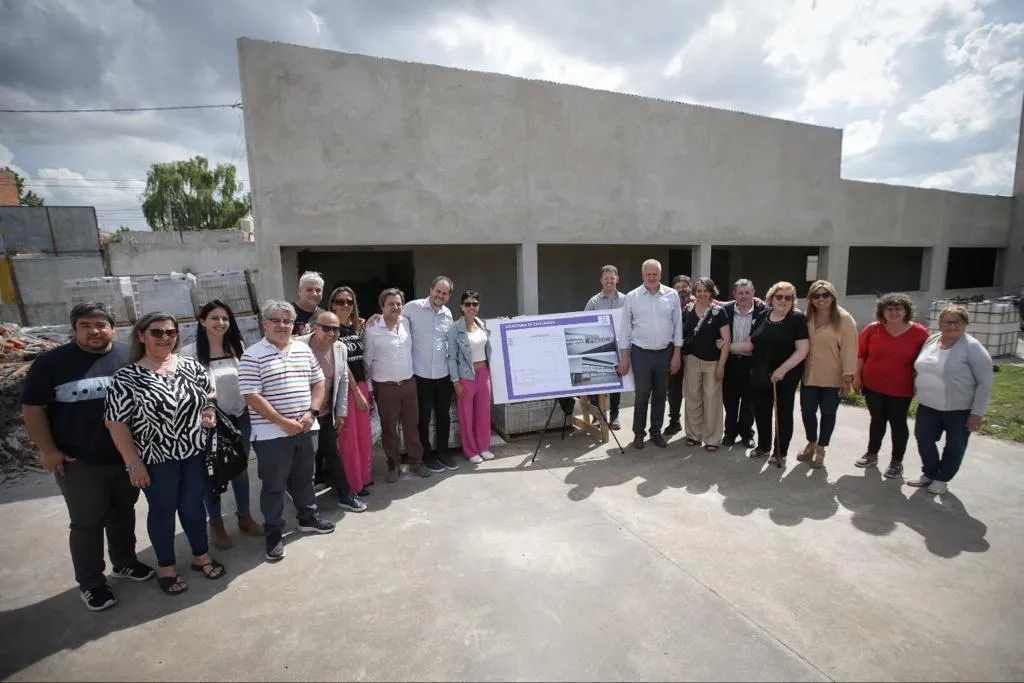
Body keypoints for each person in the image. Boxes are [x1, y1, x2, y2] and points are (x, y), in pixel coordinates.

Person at [21, 302, 154, 611]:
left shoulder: (129, 356)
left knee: (124, 512)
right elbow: (32, 409)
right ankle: (92, 583)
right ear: (75, 329)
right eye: (86, 325)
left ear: (113, 327)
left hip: (125, 458)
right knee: (87, 522)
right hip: (80, 461)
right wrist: (48, 450)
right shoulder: (52, 363)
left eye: (100, 325)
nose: (95, 331)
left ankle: (124, 562)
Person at [104, 312, 225, 596]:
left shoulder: (189, 365)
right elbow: (115, 423)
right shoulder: (127, 377)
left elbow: (209, 392)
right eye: (157, 332)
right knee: (163, 511)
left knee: (194, 507)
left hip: (194, 453)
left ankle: (200, 556)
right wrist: (133, 464)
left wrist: (208, 411)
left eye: (170, 333)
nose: (165, 338)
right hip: (156, 460)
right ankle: (167, 567)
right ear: (142, 336)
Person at [239, 300, 335, 563]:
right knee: (274, 485)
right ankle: (274, 531)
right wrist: (282, 421)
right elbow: (252, 396)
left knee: (306, 477)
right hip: (272, 435)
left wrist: (312, 412)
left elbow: (318, 381)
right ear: (265, 324)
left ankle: (307, 517)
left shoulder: (303, 350)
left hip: (306, 427)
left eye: (287, 321)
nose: (282, 326)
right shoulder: (252, 355)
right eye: (276, 320)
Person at [181, 300, 264, 550]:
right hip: (210, 422)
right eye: (214, 318)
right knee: (212, 472)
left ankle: (244, 516)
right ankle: (215, 522)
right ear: (202, 321)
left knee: (239, 467)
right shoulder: (189, 353)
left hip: (240, 416)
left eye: (225, 318)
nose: (220, 323)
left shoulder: (237, 346)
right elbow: (188, 390)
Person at [908, 305, 993, 495]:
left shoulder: (972, 347)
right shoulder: (932, 340)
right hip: (928, 404)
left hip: (958, 409)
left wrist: (977, 413)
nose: (952, 326)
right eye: (947, 321)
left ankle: (942, 478)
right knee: (924, 438)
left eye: (957, 322)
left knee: (955, 445)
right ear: (940, 323)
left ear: (965, 325)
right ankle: (930, 473)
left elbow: (984, 383)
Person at [852, 293, 930, 479]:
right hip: (873, 385)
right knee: (877, 419)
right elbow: (860, 355)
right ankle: (872, 453)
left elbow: (926, 361)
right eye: (889, 309)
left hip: (901, 388)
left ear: (906, 311)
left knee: (898, 423)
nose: (894, 312)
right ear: (882, 312)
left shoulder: (919, 333)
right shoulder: (872, 330)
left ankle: (896, 462)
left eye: (898, 309)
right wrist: (857, 377)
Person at [297, 311, 367, 512]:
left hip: (326, 412)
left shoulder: (340, 348)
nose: (331, 333)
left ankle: (345, 494)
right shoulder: (299, 345)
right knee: (305, 461)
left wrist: (342, 411)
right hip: (301, 414)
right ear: (315, 327)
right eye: (326, 328)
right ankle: (306, 506)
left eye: (335, 329)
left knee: (333, 454)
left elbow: (343, 378)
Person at [364, 288, 433, 481]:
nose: (395, 307)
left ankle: (416, 462)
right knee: (389, 428)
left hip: (409, 384)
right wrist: (369, 390)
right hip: (385, 387)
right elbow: (367, 361)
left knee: (412, 426)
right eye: (390, 304)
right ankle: (393, 464)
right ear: (382, 307)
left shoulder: (407, 323)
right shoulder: (372, 329)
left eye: (398, 303)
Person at [616, 259, 683, 450]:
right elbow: (625, 330)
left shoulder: (672, 295)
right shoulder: (632, 297)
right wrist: (624, 358)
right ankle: (638, 433)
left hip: (665, 353)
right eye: (648, 274)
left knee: (661, 394)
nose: (652, 278)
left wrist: (676, 355)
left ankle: (656, 431)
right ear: (642, 275)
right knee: (642, 394)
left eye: (655, 274)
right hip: (641, 353)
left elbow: (678, 326)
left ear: (660, 275)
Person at [797, 280, 857, 469]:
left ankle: (821, 449)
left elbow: (850, 349)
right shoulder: (807, 317)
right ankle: (811, 442)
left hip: (833, 377)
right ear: (810, 299)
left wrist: (847, 376)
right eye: (816, 296)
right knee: (807, 411)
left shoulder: (844, 319)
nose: (821, 299)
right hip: (810, 375)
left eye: (825, 295)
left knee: (828, 413)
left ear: (833, 297)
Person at [749, 281, 809, 466]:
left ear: (793, 300)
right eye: (779, 296)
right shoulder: (763, 315)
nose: (783, 300)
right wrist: (726, 347)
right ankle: (764, 445)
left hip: (786, 374)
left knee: (783, 413)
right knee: (761, 410)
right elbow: (753, 344)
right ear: (771, 298)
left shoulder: (797, 318)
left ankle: (780, 451)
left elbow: (802, 349)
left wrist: (782, 370)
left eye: (788, 297)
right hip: (761, 371)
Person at [402, 276, 458, 473]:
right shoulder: (411, 308)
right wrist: (375, 317)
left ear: (448, 296)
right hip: (421, 375)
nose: (440, 296)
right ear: (431, 289)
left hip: (443, 375)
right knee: (423, 419)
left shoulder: (448, 314)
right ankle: (427, 455)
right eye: (438, 291)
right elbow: (392, 319)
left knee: (444, 416)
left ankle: (443, 453)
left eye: (444, 293)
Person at [329, 285, 374, 497]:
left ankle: (364, 478)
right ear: (332, 305)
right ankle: (353, 485)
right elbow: (342, 364)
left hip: (362, 386)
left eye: (349, 301)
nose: (345, 305)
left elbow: (357, 357)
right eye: (340, 302)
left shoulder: (354, 327)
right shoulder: (332, 329)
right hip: (347, 390)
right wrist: (356, 393)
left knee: (364, 436)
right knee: (348, 440)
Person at [681, 277, 730, 451]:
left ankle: (712, 438)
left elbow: (726, 340)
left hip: (712, 362)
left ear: (711, 292)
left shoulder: (719, 311)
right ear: (695, 292)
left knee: (712, 400)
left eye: (706, 290)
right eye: (699, 290)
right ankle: (693, 434)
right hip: (692, 360)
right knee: (693, 397)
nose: (702, 294)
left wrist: (721, 365)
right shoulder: (688, 309)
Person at [447, 290, 494, 463]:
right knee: (466, 415)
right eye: (468, 304)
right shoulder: (454, 329)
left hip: (483, 374)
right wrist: (455, 382)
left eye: (474, 304)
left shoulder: (482, 325)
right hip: (466, 376)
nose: (471, 307)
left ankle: (483, 447)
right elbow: (451, 357)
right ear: (461, 306)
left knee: (483, 413)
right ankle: (470, 450)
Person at [721, 279, 765, 448]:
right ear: (734, 294)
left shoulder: (763, 311)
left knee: (749, 402)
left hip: (752, 363)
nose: (744, 296)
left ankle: (747, 434)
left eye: (747, 292)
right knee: (730, 401)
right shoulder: (725, 310)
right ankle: (729, 434)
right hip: (731, 363)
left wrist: (728, 346)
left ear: (753, 293)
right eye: (740, 293)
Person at [584, 265, 625, 429]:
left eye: (612, 278)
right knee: (597, 383)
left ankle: (614, 417)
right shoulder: (593, 302)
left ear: (617, 279)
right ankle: (597, 417)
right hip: (599, 348)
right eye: (606, 278)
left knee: (616, 384)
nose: (609, 281)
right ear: (601, 280)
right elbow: (584, 324)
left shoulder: (626, 300)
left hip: (619, 348)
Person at [664, 275, 693, 436]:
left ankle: (695, 425)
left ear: (691, 287)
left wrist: (755, 300)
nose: (682, 290)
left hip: (693, 354)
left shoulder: (700, 302)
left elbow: (723, 305)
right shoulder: (669, 303)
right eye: (678, 286)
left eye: (685, 286)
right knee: (674, 390)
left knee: (694, 390)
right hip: (673, 353)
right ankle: (674, 421)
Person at [292, 270, 325, 337]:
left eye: (318, 290)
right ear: (300, 291)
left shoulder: (324, 315)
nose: (314, 294)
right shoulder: (287, 312)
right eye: (309, 290)